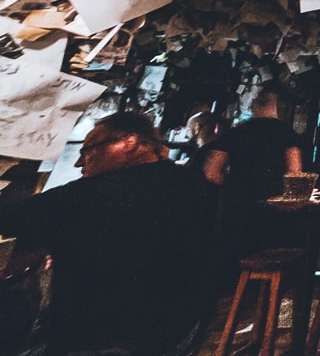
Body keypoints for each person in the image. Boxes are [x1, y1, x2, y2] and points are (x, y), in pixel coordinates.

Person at [0, 112, 211, 356]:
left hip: (99, 339)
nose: (79, 163)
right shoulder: (190, 181)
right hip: (177, 332)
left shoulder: (100, 190)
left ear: (129, 143)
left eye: (89, 150)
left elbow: (12, 217)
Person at [204, 87, 303, 259]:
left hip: (237, 207)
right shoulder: (287, 134)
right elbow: (295, 172)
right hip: (274, 208)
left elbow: (210, 172)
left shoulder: (235, 133)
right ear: (279, 108)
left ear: (254, 105)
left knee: (236, 259)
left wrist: (232, 186)